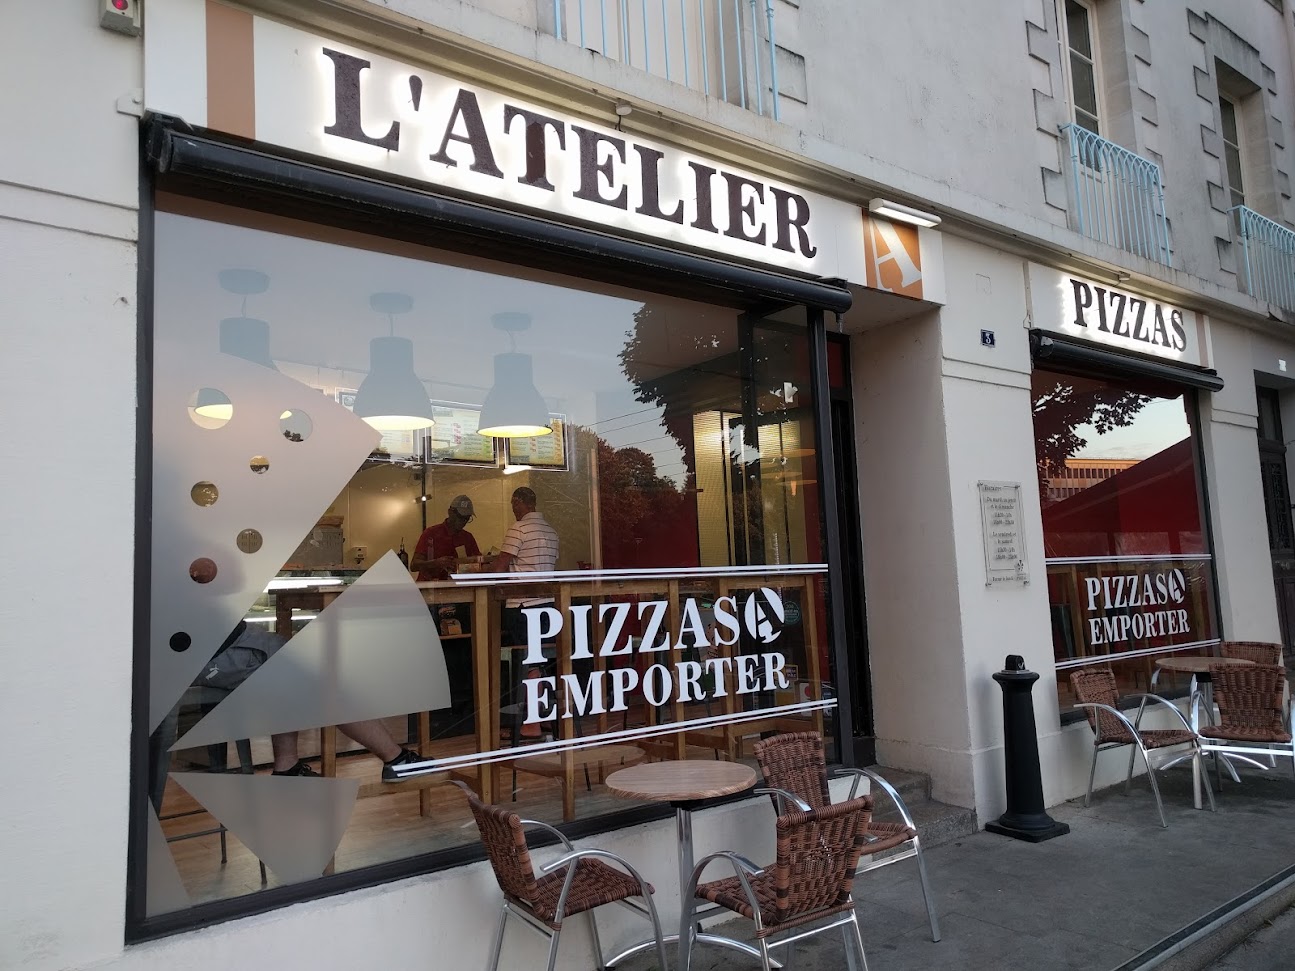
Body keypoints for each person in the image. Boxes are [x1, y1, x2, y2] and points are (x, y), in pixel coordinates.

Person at [185, 621, 423, 782]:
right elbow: (231, 579)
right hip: (220, 651)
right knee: (320, 677)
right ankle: (397, 759)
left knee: (289, 672)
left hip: (207, 649)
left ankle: (288, 768)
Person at [489, 487, 560, 730]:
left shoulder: (518, 529)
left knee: (529, 662)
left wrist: (478, 572)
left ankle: (532, 723)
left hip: (522, 604)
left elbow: (499, 567)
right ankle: (546, 717)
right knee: (542, 660)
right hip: (548, 605)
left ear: (520, 502)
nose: (512, 508)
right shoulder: (551, 532)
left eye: (513, 503)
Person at [409, 494, 481, 581]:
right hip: (430, 586)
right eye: (461, 517)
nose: (463, 521)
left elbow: (479, 564)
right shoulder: (431, 534)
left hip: (456, 586)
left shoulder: (468, 538)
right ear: (450, 512)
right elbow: (414, 565)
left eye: (467, 518)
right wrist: (436, 563)